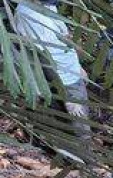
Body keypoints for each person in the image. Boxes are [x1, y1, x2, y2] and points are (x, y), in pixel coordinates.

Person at [13, 0, 90, 141]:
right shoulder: (27, 14)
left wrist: (78, 66)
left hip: (71, 73)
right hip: (61, 79)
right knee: (80, 131)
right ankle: (84, 161)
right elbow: (41, 57)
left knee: (78, 125)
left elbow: (63, 38)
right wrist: (65, 94)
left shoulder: (48, 6)